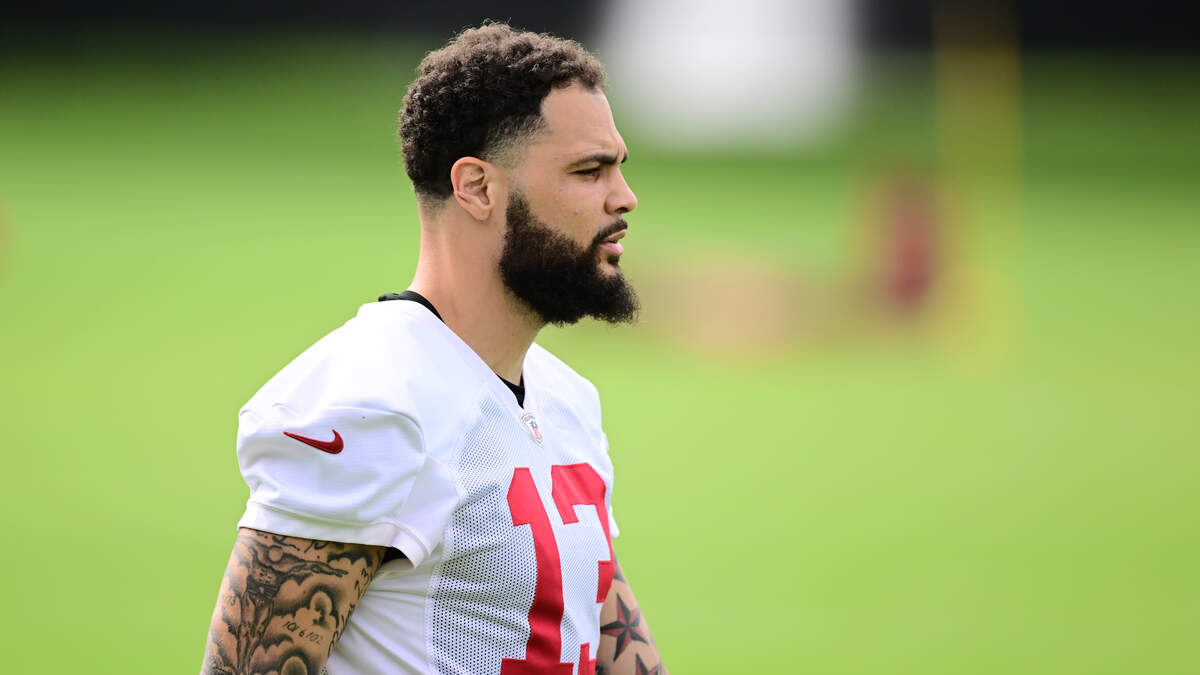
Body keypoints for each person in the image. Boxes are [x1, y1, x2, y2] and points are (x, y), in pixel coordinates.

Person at [200, 22, 668, 675]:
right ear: (477, 187)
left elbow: (603, 637)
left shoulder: (566, 400)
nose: (625, 198)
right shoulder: (368, 404)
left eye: (619, 167)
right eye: (589, 171)